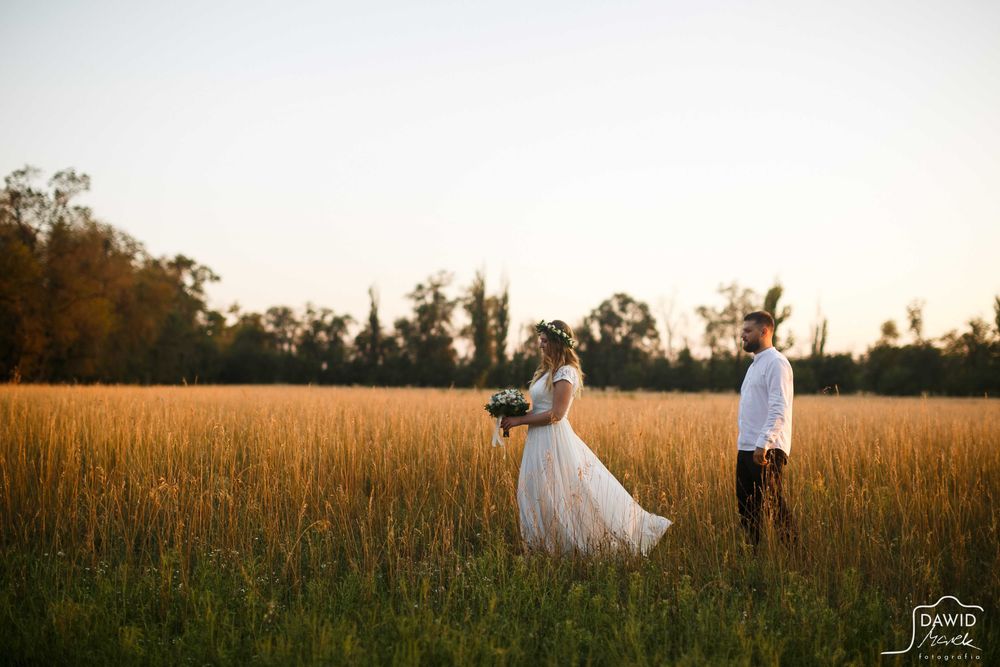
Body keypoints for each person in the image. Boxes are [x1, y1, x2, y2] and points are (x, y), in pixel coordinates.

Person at [500, 319, 671, 556]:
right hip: (537, 440)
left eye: (545, 341)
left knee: (567, 491)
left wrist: (519, 421)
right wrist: (513, 414)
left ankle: (580, 543)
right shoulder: (546, 371)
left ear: (558, 343)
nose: (540, 345)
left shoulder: (565, 372)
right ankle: (542, 545)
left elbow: (557, 414)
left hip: (554, 440)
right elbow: (539, 409)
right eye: (540, 340)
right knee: (537, 490)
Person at [736, 310, 798, 547]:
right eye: (743, 331)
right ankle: (753, 557)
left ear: (764, 331)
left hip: (766, 449)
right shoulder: (754, 366)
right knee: (747, 508)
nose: (743, 335)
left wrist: (764, 443)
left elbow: (779, 407)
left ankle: (794, 556)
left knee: (773, 504)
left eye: (748, 331)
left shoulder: (776, 363)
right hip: (747, 446)